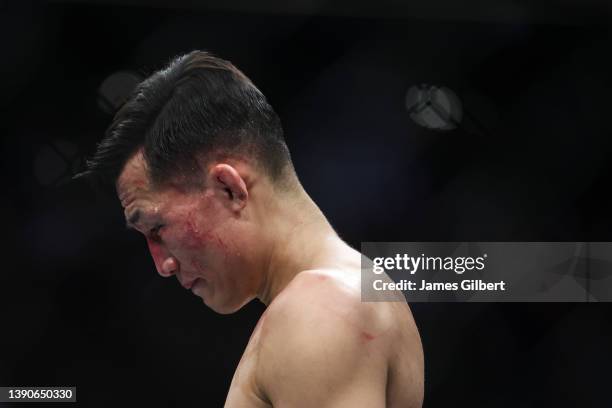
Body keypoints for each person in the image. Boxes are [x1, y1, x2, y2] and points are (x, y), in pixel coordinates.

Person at [79, 50, 424, 407]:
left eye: (157, 228)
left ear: (229, 188)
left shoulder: (320, 308)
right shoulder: (355, 289)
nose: (162, 265)